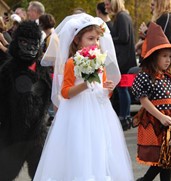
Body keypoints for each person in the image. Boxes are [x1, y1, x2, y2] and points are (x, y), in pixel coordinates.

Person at [33, 13, 134, 181]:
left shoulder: (100, 62)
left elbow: (103, 92)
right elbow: (65, 92)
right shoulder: (72, 63)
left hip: (98, 112)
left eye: (97, 39)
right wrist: (84, 85)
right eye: (90, 38)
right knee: (80, 148)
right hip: (76, 112)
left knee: (99, 147)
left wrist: (107, 89)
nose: (95, 43)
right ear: (77, 40)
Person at [132, 22, 171, 181]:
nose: (168, 60)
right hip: (155, 120)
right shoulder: (146, 75)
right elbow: (143, 101)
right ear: (154, 56)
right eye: (164, 56)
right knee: (161, 157)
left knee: (168, 157)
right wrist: (160, 117)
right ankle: (144, 180)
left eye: (170, 57)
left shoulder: (169, 76)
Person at [0, 21, 51, 180]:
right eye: (24, 42)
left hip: (38, 134)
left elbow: (49, 97)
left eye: (33, 43)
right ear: (16, 42)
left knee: (41, 175)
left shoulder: (43, 68)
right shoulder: (8, 70)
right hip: (12, 135)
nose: (29, 47)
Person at [104, 0, 137, 131]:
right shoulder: (122, 16)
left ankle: (125, 116)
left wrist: (108, 38)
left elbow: (124, 37)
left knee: (122, 89)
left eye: (107, 4)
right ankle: (124, 115)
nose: (106, 7)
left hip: (123, 59)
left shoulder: (122, 16)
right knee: (121, 89)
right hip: (123, 58)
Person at [39, 13, 56, 126]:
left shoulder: (51, 38)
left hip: (52, 71)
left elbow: (54, 56)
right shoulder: (50, 36)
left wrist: (41, 54)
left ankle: (52, 115)